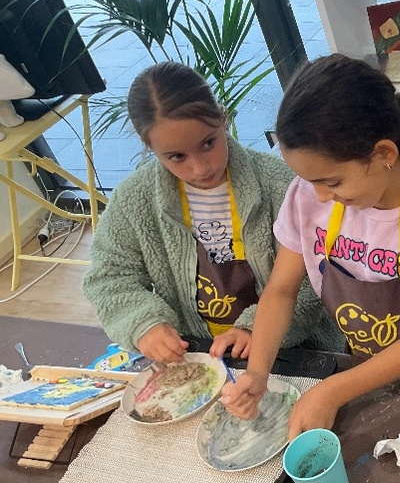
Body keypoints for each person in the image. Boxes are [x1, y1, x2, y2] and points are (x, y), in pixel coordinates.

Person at [221, 54, 400, 436]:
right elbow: (281, 290)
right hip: (365, 370)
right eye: (307, 180)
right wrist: (258, 371)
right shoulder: (306, 196)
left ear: (383, 154)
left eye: (332, 182)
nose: (319, 195)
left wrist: (331, 392)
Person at [83, 62, 343, 364]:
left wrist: (254, 328)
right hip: (198, 354)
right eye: (176, 156)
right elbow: (109, 279)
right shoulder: (134, 200)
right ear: (149, 145)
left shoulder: (282, 184)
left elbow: (319, 277)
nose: (200, 167)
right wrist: (144, 323)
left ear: (222, 117)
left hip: (297, 351)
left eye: (208, 143)